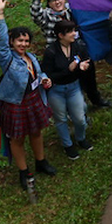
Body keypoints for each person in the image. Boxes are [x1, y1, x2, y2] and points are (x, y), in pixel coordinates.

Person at [0, 0, 56, 193]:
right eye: (19, 41)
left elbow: (37, 73)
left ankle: (41, 162)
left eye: (26, 41)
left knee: (36, 132)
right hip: (16, 104)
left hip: (34, 100)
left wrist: (44, 78)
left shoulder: (31, 57)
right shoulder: (6, 57)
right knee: (17, 139)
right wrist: (0, 14)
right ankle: (24, 172)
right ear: (12, 42)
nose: (23, 44)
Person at [29, 0, 108, 107]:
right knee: (67, 76)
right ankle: (71, 104)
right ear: (49, 4)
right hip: (59, 55)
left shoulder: (71, 12)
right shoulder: (47, 16)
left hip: (76, 49)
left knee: (88, 71)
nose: (58, 2)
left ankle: (95, 99)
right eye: (54, 1)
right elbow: (35, 14)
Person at [40, 19, 92, 160]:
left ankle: (81, 138)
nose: (74, 34)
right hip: (57, 90)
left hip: (74, 87)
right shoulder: (51, 52)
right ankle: (67, 145)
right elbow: (48, 73)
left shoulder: (78, 46)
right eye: (70, 32)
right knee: (61, 118)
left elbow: (86, 59)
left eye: (74, 30)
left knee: (80, 118)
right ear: (60, 35)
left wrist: (83, 66)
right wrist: (68, 70)